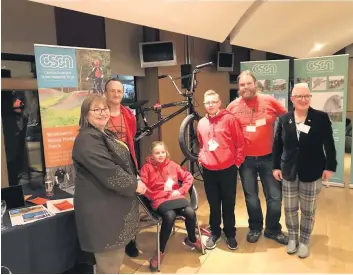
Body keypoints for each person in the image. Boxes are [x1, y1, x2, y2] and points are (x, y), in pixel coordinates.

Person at [72, 95, 147, 274]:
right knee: (109, 267)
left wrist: (135, 178)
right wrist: (134, 184)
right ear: (85, 114)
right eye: (96, 109)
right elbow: (108, 170)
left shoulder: (105, 133)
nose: (102, 112)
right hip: (103, 215)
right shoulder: (87, 139)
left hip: (112, 210)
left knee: (112, 265)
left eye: (104, 108)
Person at [272, 83, 337, 258]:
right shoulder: (284, 119)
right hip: (289, 170)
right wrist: (276, 166)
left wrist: (330, 166)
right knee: (290, 208)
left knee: (308, 210)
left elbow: (329, 145)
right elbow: (277, 146)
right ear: (292, 99)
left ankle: (305, 240)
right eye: (299, 96)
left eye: (307, 96)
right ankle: (293, 237)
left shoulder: (320, 118)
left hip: (313, 169)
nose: (304, 99)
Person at [226, 70, 288, 245]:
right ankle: (255, 227)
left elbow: (287, 119)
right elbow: (226, 130)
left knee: (275, 196)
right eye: (242, 85)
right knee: (251, 196)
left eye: (248, 83)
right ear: (239, 87)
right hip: (246, 160)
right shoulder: (232, 107)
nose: (245, 87)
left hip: (269, 158)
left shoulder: (270, 101)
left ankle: (273, 229)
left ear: (255, 84)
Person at [140, 141, 203, 272]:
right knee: (170, 216)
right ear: (151, 155)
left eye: (163, 152)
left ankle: (191, 239)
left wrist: (181, 191)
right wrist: (154, 196)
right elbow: (143, 188)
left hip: (175, 197)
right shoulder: (146, 168)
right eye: (157, 153)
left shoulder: (172, 165)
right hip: (158, 199)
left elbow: (188, 177)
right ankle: (160, 251)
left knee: (191, 213)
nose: (161, 155)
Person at [197, 90, 245, 250]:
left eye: (213, 102)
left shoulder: (230, 120)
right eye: (207, 102)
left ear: (219, 103)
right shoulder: (201, 123)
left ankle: (230, 233)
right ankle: (215, 232)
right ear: (204, 105)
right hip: (209, 170)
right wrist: (201, 157)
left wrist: (236, 162)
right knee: (213, 203)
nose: (210, 105)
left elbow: (240, 143)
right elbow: (201, 142)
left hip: (228, 169)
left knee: (228, 203)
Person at [104, 77, 140, 257]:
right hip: (108, 166)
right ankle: (114, 239)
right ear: (106, 93)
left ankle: (130, 241)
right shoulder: (100, 114)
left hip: (127, 165)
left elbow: (131, 136)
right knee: (112, 205)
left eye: (120, 91)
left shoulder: (128, 114)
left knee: (129, 205)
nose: (117, 94)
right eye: (113, 91)